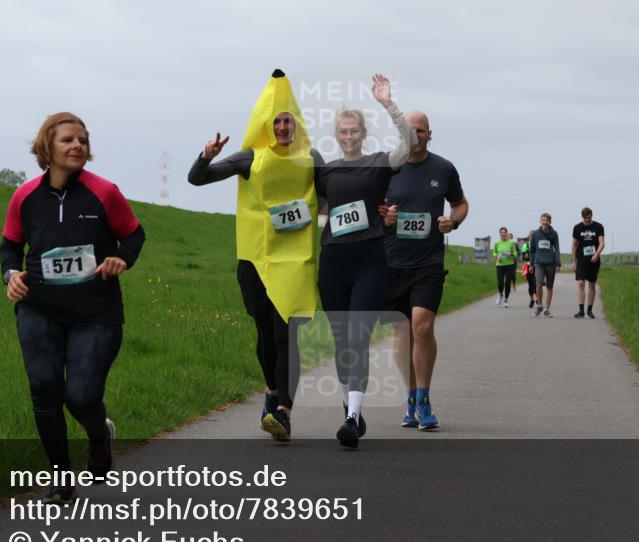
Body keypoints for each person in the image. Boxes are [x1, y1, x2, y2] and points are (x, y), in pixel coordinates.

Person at [0, 112, 146, 504]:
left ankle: (100, 435)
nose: (78, 145)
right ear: (47, 146)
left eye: (82, 139)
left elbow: (133, 234)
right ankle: (61, 476)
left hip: (95, 313)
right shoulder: (25, 196)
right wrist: (10, 273)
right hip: (39, 306)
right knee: (44, 388)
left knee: (80, 397)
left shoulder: (104, 192)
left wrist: (121, 260)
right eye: (68, 139)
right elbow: (10, 246)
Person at [188, 69, 318, 443]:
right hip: (255, 261)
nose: (281, 127)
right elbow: (198, 179)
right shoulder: (250, 157)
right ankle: (273, 391)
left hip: (294, 261)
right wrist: (206, 156)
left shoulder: (311, 157)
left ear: (296, 125)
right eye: (275, 121)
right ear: (266, 123)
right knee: (263, 333)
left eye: (287, 121)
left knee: (285, 335)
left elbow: (335, 191)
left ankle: (284, 413)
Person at [315, 74, 412, 448]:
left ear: (364, 132)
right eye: (344, 131)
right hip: (334, 263)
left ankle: (354, 417)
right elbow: (311, 203)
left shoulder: (378, 162)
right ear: (337, 135)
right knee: (342, 343)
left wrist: (388, 103)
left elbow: (409, 143)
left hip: (371, 261)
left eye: (355, 130)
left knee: (358, 337)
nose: (349, 136)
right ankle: (348, 408)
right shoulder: (327, 171)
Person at [382, 111, 468, 430]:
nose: (415, 135)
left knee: (422, 326)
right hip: (392, 262)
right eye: (409, 130)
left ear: (429, 134)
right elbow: (370, 208)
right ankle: (409, 396)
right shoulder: (388, 168)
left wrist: (453, 221)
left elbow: (460, 203)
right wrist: (384, 217)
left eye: (421, 130)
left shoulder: (443, 169)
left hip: (428, 262)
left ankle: (424, 397)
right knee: (402, 331)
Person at [572, 207, 606, 319]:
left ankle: (590, 310)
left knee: (592, 284)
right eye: (585, 218)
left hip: (594, 260)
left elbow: (602, 243)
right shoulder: (577, 228)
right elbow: (574, 245)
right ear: (582, 217)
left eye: (589, 218)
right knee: (581, 283)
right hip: (581, 259)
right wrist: (573, 261)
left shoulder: (598, 226)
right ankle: (581, 310)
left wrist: (597, 254)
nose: (587, 220)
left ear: (591, 216)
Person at [530, 213, 561, 318]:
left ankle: (547, 310)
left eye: (547, 220)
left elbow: (557, 248)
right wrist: (531, 264)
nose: (545, 222)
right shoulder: (536, 234)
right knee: (538, 284)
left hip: (551, 263)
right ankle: (539, 305)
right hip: (538, 263)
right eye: (543, 220)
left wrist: (558, 263)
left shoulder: (554, 234)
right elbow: (532, 250)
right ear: (540, 221)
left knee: (549, 286)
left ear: (550, 222)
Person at [492, 227, 518, 308]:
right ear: (500, 234)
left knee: (507, 283)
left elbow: (515, 253)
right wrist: (497, 257)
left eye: (504, 232)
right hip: (500, 265)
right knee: (500, 283)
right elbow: (494, 253)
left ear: (507, 233)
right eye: (501, 232)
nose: (503, 233)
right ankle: (500, 295)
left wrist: (511, 254)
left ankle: (506, 300)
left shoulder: (511, 243)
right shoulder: (497, 243)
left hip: (510, 264)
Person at [520, 230, 538, 309]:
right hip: (528, 266)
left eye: (534, 235)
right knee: (531, 284)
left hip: (537, 266)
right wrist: (526, 256)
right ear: (529, 236)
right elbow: (524, 257)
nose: (532, 236)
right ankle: (532, 300)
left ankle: (538, 300)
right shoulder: (525, 246)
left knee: (536, 284)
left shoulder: (538, 245)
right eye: (531, 235)